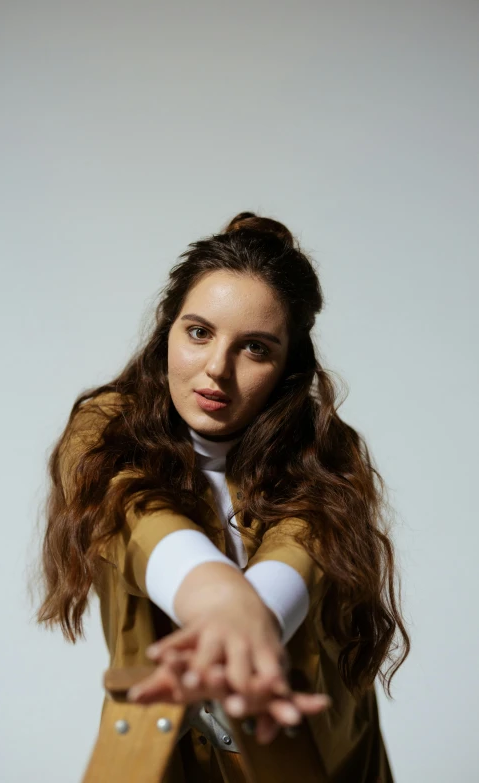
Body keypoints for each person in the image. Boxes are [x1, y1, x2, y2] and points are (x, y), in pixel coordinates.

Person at [35, 212, 410, 781]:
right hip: (167, 755)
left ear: (287, 368)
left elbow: (298, 553)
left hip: (319, 755)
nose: (216, 369)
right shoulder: (105, 430)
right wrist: (216, 598)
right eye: (199, 332)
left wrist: (246, 615)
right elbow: (136, 515)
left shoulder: (325, 454)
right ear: (168, 329)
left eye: (254, 348)